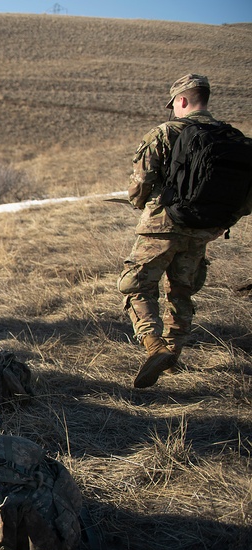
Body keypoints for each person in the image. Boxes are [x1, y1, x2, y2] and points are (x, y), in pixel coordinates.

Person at [118, 74, 230, 388]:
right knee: (182, 291)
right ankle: (174, 351)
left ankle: (154, 347)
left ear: (181, 100)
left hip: (161, 225)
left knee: (137, 284)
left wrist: (140, 201)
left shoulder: (165, 133)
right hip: (202, 228)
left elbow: (140, 185)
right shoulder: (227, 137)